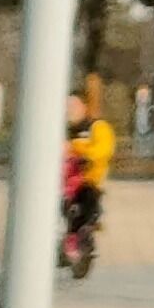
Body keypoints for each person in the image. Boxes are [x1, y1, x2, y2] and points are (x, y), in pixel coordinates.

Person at [58, 80, 116, 281]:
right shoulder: (62, 129)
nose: (69, 110)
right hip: (64, 183)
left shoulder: (97, 127)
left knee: (88, 202)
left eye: (73, 106)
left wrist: (79, 150)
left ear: (84, 106)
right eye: (66, 106)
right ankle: (64, 244)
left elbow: (103, 149)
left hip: (88, 182)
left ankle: (83, 234)